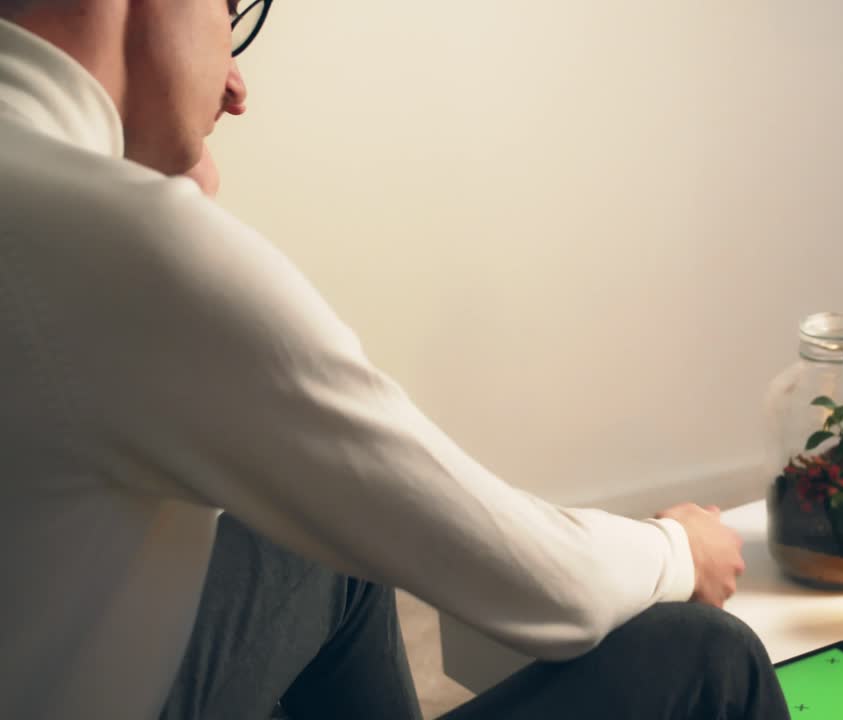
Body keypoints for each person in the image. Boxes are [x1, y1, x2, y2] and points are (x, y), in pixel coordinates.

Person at [0, 1, 792, 718]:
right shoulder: (125, 250)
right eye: (226, 8)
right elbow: (550, 588)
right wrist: (678, 548)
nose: (236, 85)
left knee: (310, 542)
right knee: (709, 660)